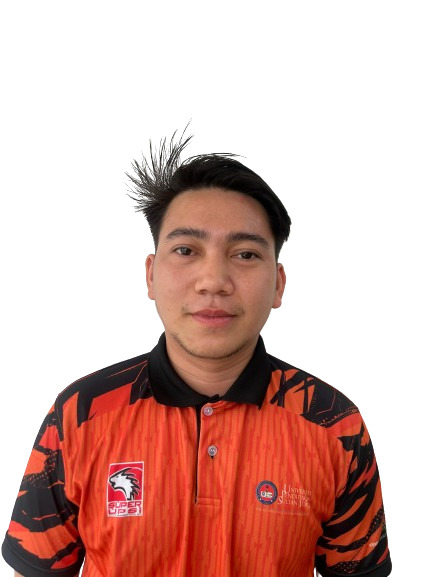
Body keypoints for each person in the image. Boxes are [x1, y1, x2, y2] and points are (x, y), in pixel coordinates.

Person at [2, 129, 392, 577]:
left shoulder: (333, 424)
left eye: (245, 254)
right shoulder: (81, 413)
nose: (213, 281)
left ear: (278, 284)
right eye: (186, 250)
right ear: (151, 275)